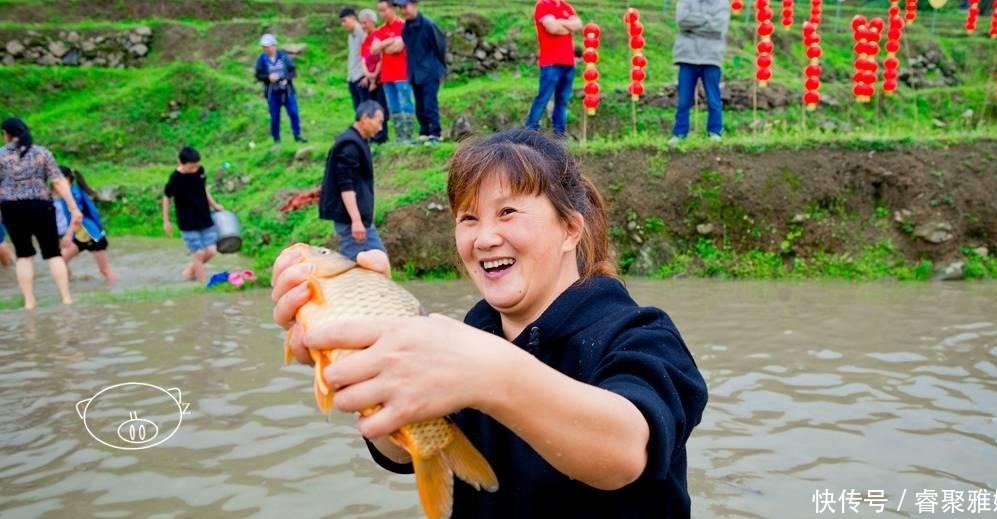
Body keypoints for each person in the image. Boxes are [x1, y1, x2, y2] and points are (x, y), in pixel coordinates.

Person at [272, 129, 708, 517]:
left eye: (507, 213)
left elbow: (624, 452)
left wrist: (491, 375)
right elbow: (404, 453)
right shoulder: (469, 334)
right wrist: (365, 358)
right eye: (468, 218)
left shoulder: (643, 336)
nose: (483, 238)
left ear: (571, 229)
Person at [0, 117, 82, 308]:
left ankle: (30, 302)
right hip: (41, 206)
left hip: (12, 208)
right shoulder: (42, 153)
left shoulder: (1, 155)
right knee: (53, 254)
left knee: (24, 255)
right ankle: (66, 298)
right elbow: (58, 182)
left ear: (7, 134)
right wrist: (73, 208)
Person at [319, 100, 388, 261]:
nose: (380, 128)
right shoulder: (350, 145)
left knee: (377, 262)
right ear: (365, 118)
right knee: (355, 265)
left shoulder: (357, 141)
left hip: (360, 220)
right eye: (379, 122)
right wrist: (356, 221)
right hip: (352, 221)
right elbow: (346, 185)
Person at [670, 0, 730, 144]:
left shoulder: (721, 3)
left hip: (711, 57)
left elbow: (719, 27)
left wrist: (693, 25)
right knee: (684, 99)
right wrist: (708, 20)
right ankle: (679, 133)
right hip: (687, 56)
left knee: (713, 99)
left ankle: (715, 132)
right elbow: (682, 21)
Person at [162, 146, 225, 283]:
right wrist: (166, 221)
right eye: (191, 167)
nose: (194, 170)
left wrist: (214, 205)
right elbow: (167, 197)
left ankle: (190, 271)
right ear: (180, 162)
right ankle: (203, 283)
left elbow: (203, 190)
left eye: (196, 166)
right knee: (199, 253)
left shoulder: (200, 171)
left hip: (204, 217)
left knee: (212, 251)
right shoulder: (175, 178)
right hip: (187, 222)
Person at [525, 0, 582, 138]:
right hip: (550, 63)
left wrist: (560, 22)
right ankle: (530, 132)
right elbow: (553, 28)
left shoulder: (566, 7)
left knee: (562, 100)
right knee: (543, 98)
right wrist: (568, 25)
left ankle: (559, 134)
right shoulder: (543, 5)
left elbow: (578, 25)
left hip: (568, 62)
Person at [397, 0, 447, 145]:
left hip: (430, 71)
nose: (403, 10)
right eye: (400, 8)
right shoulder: (406, 28)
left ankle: (436, 134)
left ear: (414, 5)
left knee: (430, 103)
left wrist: (437, 66)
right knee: (419, 105)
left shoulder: (428, 25)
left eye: (405, 7)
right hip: (414, 72)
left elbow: (440, 46)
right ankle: (424, 132)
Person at [55, 166, 117, 284]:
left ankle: (118, 288)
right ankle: (70, 283)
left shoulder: (73, 193)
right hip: (81, 236)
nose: (55, 183)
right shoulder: (69, 192)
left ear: (67, 179)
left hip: (92, 235)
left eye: (57, 180)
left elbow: (77, 217)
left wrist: (68, 236)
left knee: (104, 270)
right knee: (60, 261)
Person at [371, 0, 416, 144]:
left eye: (384, 10)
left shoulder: (403, 26)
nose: (382, 14)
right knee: (393, 106)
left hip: (401, 73)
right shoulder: (380, 30)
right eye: (379, 11)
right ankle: (399, 136)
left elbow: (397, 47)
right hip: (386, 75)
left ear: (392, 9)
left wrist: (383, 45)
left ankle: (408, 135)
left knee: (405, 103)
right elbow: (373, 49)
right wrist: (389, 41)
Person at [254, 33, 308, 145]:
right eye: (264, 47)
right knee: (275, 116)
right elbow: (258, 75)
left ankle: (297, 135)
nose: (267, 49)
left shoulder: (283, 56)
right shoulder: (262, 59)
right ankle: (276, 139)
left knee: (293, 112)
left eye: (268, 46)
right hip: (272, 92)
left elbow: (292, 71)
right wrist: (268, 78)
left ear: (274, 46)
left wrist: (285, 78)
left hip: (287, 90)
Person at [358, 8, 390, 144]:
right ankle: (372, 135)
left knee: (380, 106)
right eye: (362, 23)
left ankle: (381, 135)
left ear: (372, 22)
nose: (363, 26)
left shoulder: (378, 36)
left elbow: (380, 59)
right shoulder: (365, 40)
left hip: (380, 79)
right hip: (370, 78)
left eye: (365, 23)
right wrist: (367, 75)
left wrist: (374, 78)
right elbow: (364, 59)